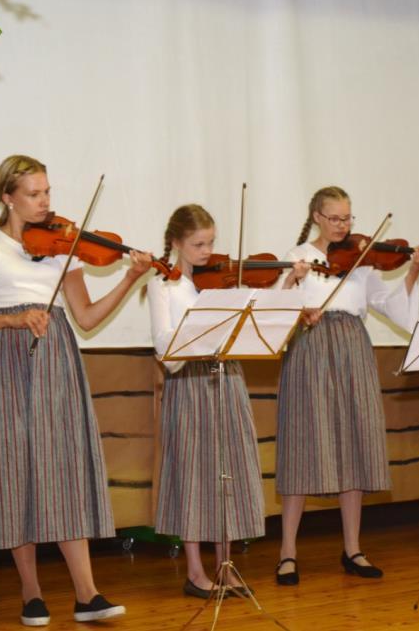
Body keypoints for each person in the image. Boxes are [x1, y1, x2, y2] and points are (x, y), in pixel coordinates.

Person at [0, 155, 152, 626]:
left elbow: (85, 318)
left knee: (63, 471)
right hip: (6, 363)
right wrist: (14, 319)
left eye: (47, 192)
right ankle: (31, 592)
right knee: (16, 471)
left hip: (56, 360)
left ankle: (87, 593)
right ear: (8, 198)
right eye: (34, 194)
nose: (45, 203)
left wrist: (129, 278)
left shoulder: (63, 248)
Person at [274, 185, 419, 585]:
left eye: (348, 218)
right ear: (316, 217)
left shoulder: (362, 261)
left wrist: (413, 269)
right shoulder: (297, 258)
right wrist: (294, 291)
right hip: (311, 351)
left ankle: (353, 548)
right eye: (335, 218)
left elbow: (396, 311)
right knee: (302, 444)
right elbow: (276, 309)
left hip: (353, 350)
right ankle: (287, 553)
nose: (343, 226)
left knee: (355, 443)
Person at [146, 204, 265, 598]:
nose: (206, 251)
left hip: (227, 380)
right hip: (190, 382)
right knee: (194, 475)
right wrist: (195, 334)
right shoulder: (162, 284)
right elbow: (165, 348)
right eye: (198, 244)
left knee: (228, 470)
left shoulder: (217, 283)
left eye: (211, 242)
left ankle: (226, 565)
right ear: (176, 242)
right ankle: (195, 571)